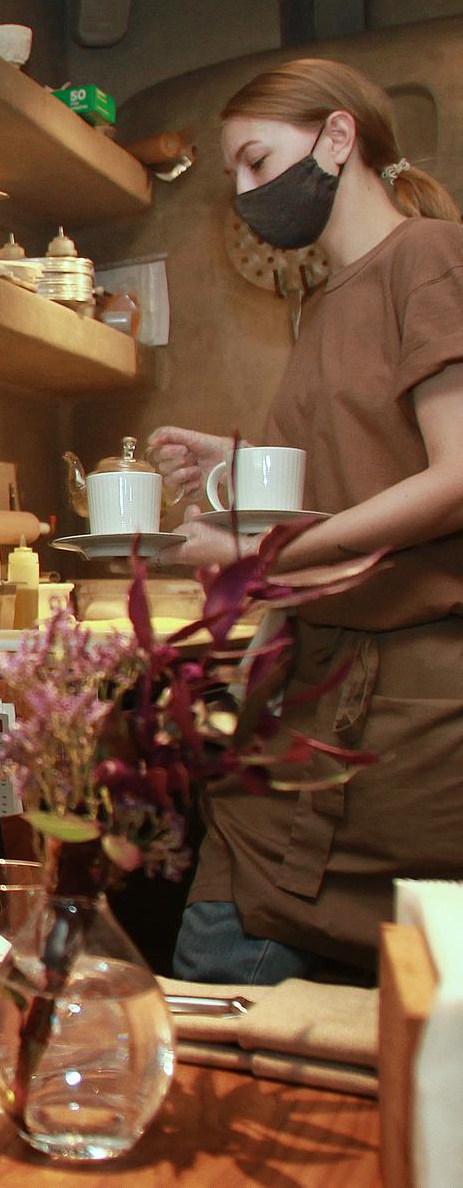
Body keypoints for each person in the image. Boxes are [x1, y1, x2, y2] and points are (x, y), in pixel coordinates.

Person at [149, 57, 463, 984]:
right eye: (233, 178)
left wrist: (262, 553)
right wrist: (236, 469)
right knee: (226, 924)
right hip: (315, 689)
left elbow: (454, 477)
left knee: (348, 990)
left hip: (410, 713)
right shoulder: (329, 300)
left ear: (337, 138)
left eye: (256, 162)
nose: (246, 195)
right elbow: (361, 470)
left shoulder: (429, 257)